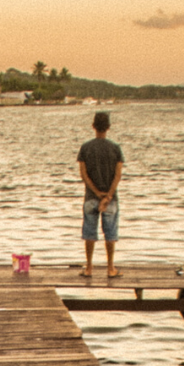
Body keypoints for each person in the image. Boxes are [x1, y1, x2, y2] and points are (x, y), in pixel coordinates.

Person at [77, 110, 122, 278]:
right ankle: (110, 268)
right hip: (111, 199)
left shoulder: (86, 148)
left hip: (90, 197)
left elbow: (84, 174)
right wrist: (108, 196)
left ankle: (89, 267)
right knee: (110, 234)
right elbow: (118, 175)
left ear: (93, 127)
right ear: (108, 127)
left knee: (89, 233)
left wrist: (96, 193)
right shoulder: (115, 148)